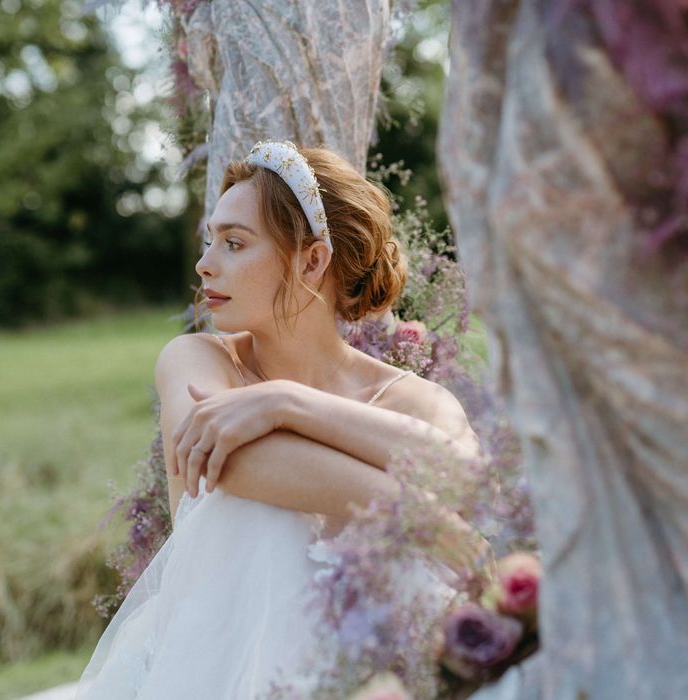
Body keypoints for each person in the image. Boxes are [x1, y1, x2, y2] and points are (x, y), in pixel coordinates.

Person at [74, 141, 483, 699]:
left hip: (375, 678)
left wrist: (287, 403)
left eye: (234, 243)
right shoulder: (198, 361)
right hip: (212, 674)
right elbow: (233, 464)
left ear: (313, 260)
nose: (205, 263)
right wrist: (413, 512)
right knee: (255, 514)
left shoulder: (416, 400)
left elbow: (460, 472)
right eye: (210, 240)